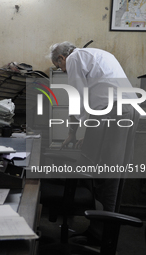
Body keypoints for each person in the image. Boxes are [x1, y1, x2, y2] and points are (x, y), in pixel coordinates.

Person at [48, 41, 140, 243]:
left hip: (113, 112)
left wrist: (72, 132)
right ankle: (108, 230)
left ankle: (100, 233)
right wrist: (89, 133)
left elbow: (77, 97)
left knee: (102, 173)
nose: (62, 70)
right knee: (116, 171)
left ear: (62, 58)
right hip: (128, 110)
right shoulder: (98, 54)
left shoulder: (74, 59)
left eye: (58, 67)